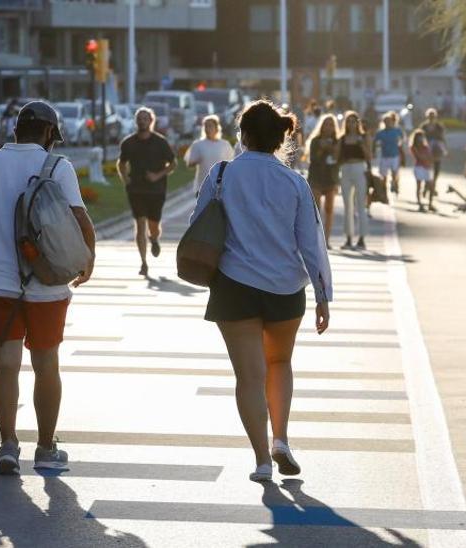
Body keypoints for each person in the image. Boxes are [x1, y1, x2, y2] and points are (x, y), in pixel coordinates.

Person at [0, 100, 95, 474]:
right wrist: (87, 259)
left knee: (6, 365)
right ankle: (45, 448)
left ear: (14, 131)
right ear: (50, 134)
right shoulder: (57, 166)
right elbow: (80, 219)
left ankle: (8, 445)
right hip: (46, 283)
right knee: (46, 365)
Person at [191, 100, 333, 482]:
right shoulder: (295, 182)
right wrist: (323, 296)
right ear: (278, 139)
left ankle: (261, 461)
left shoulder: (221, 175)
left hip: (234, 285)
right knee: (280, 363)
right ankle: (281, 439)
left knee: (249, 377)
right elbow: (311, 243)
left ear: (244, 136)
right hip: (286, 289)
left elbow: (198, 222)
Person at [117, 107, 176, 278]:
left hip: (156, 191)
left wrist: (157, 175)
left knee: (153, 226)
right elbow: (121, 163)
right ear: (136, 121)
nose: (142, 121)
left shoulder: (160, 142)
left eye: (145, 118)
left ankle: (155, 238)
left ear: (151, 121)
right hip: (136, 189)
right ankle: (143, 262)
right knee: (140, 224)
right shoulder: (128, 143)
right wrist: (125, 178)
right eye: (139, 118)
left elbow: (173, 164)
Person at [335, 111, 372, 250]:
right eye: (348, 121)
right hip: (345, 169)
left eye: (353, 121)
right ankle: (349, 238)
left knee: (361, 204)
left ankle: (362, 238)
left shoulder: (364, 137)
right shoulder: (342, 138)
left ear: (358, 123)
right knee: (347, 205)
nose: (351, 124)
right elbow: (336, 156)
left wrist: (361, 144)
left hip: (359, 168)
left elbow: (369, 156)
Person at [305, 114, 340, 248]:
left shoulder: (337, 140)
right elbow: (313, 159)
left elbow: (338, 159)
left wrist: (332, 148)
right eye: (326, 124)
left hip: (331, 177)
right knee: (316, 210)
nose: (329, 127)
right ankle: (315, 239)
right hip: (316, 177)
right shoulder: (315, 140)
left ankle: (327, 240)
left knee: (329, 209)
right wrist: (322, 148)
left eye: (331, 124)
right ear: (322, 126)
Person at [185, 115, 237, 195]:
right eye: (205, 126)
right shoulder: (198, 145)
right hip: (202, 187)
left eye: (210, 126)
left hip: (221, 187)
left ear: (216, 128)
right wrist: (197, 160)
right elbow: (189, 164)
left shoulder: (224, 144)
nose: (207, 129)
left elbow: (232, 164)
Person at [374, 112, 406, 197]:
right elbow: (374, 141)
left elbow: (403, 138)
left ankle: (394, 183)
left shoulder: (397, 130)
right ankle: (384, 192)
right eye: (385, 121)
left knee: (395, 172)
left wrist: (400, 144)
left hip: (394, 155)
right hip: (384, 156)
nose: (387, 123)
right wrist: (374, 150)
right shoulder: (380, 132)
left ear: (392, 122)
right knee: (383, 176)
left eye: (389, 121)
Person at [409, 129, 435, 213]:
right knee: (419, 186)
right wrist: (427, 158)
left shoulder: (426, 146)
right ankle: (420, 204)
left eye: (421, 137)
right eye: (419, 137)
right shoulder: (414, 147)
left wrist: (430, 160)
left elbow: (430, 157)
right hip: (419, 167)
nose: (420, 139)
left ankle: (430, 204)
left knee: (431, 186)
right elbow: (419, 157)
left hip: (428, 168)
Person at [421, 107, 448, 186]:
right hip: (426, 149)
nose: (431, 117)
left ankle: (434, 183)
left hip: (436, 149)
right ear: (427, 116)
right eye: (430, 115)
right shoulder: (424, 126)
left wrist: (444, 148)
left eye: (433, 116)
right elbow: (420, 137)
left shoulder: (439, 126)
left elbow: (442, 137)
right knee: (426, 167)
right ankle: (427, 183)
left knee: (437, 167)